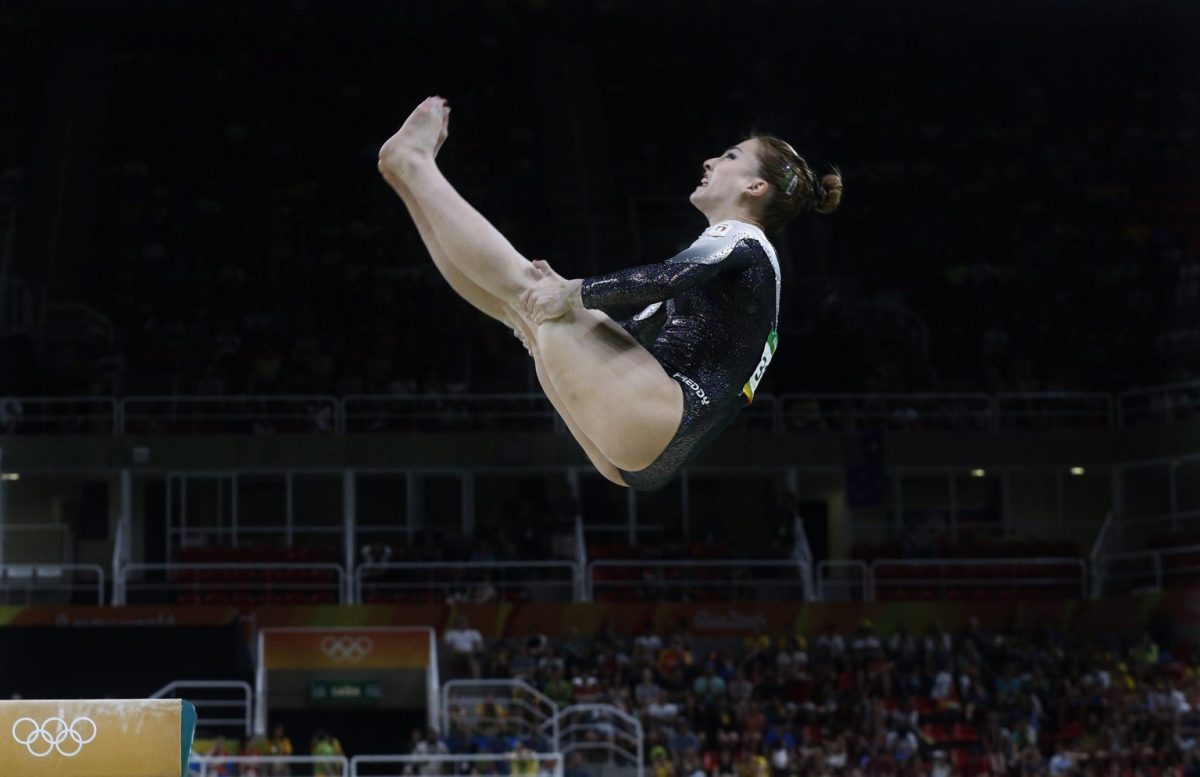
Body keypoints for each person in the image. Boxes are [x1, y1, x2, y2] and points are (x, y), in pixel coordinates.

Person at [377, 97, 842, 490]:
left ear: (755, 187)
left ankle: (413, 165)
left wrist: (575, 293)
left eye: (731, 157)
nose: (711, 162)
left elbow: (663, 277)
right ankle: (408, 178)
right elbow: (644, 324)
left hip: (659, 415)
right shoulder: (750, 272)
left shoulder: (741, 237)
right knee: (522, 310)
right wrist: (570, 312)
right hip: (643, 450)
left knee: (535, 295)